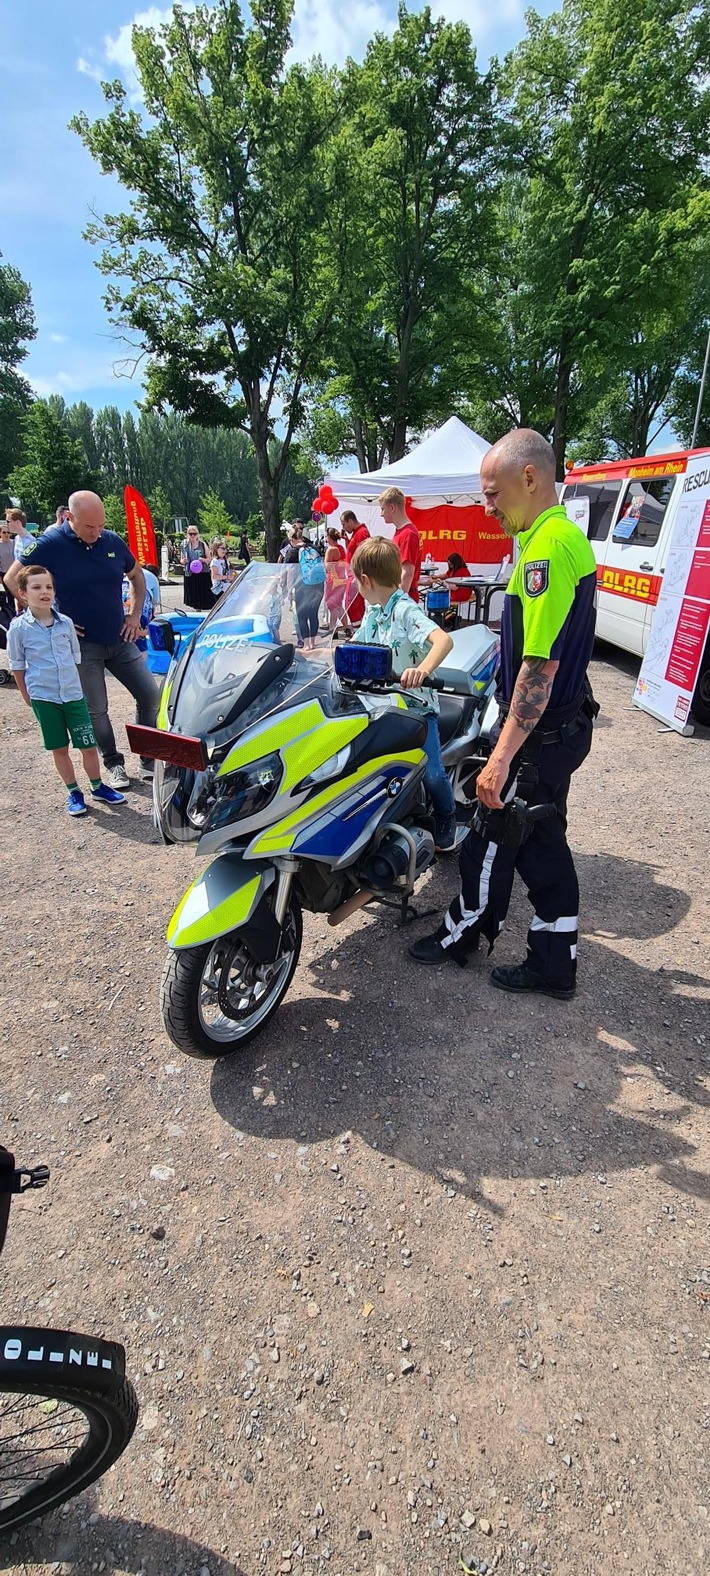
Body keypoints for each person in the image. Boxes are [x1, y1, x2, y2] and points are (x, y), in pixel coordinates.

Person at [410, 428, 598, 999]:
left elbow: (537, 669)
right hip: (562, 723)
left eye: (492, 493)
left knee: (491, 835)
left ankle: (464, 933)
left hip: (539, 734)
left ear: (530, 478)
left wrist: (501, 756)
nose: (485, 506)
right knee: (542, 841)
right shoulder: (561, 536)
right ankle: (553, 960)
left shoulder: (545, 549)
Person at [3, 489, 160, 790]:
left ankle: (149, 757)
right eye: (90, 527)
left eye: (101, 525)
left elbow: (137, 577)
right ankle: (113, 763)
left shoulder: (111, 541)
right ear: (70, 518)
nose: (97, 532)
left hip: (119, 636)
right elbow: (13, 578)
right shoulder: (49, 544)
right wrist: (50, 614)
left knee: (150, 695)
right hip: (81, 645)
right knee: (97, 709)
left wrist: (134, 615)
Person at [352, 536, 458, 851]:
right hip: (379, 707)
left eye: (356, 580)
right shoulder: (373, 612)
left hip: (415, 710)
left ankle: (447, 813)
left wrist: (422, 670)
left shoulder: (405, 610)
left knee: (433, 773)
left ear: (366, 581)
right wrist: (319, 655)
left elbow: (443, 641)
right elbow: (355, 645)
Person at [7, 564, 127, 817]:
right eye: (36, 587)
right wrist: (27, 695)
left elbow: (74, 657)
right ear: (23, 594)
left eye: (48, 586)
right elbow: (17, 665)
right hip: (45, 697)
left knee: (88, 745)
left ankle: (97, 786)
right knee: (59, 748)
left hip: (73, 695)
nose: (44, 592)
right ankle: (73, 791)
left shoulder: (66, 624)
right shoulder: (18, 629)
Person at [378, 487, 422, 602]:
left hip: (404, 597)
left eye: (382, 509)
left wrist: (396, 602)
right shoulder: (402, 531)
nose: (381, 514)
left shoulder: (408, 534)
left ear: (392, 508)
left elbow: (407, 574)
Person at [295, 535, 326, 650]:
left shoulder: (294, 551)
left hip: (303, 586)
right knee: (313, 614)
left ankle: (307, 644)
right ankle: (313, 642)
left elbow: (289, 571)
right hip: (318, 584)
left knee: (302, 615)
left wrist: (289, 590)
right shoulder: (314, 548)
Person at [341, 510, 370, 625]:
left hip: (355, 575)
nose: (343, 527)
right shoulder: (357, 532)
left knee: (350, 604)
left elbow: (364, 555)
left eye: (344, 524)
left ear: (350, 521)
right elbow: (354, 551)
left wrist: (358, 576)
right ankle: (361, 631)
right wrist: (347, 541)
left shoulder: (361, 533)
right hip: (354, 574)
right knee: (357, 604)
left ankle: (358, 631)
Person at [323, 526, 350, 634]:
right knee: (338, 605)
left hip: (333, 580)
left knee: (331, 605)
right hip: (342, 579)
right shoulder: (341, 548)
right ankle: (346, 627)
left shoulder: (331, 549)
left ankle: (332, 630)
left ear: (329, 537)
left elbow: (327, 567)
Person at [180, 525, 211, 610]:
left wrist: (203, 560)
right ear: (188, 534)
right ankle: (197, 611)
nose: (193, 536)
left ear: (198, 534)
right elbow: (181, 560)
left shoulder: (202, 544)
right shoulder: (184, 545)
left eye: (194, 533)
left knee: (204, 595)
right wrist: (184, 561)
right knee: (194, 596)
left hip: (203, 572)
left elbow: (209, 559)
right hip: (191, 572)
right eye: (190, 534)